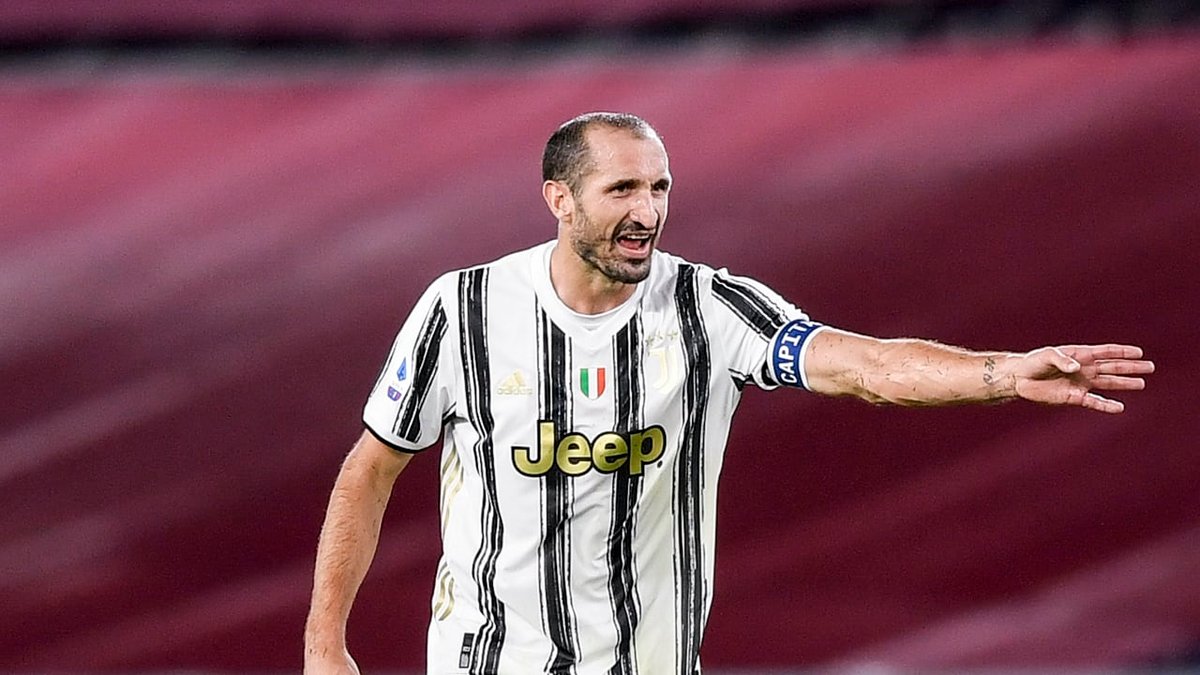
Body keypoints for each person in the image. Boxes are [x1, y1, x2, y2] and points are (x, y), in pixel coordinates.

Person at [303, 112, 1154, 675]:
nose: (648, 211)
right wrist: (323, 642)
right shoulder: (463, 309)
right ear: (558, 199)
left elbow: (862, 366)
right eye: (623, 189)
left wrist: (1001, 373)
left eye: (660, 187)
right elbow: (371, 468)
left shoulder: (711, 308)